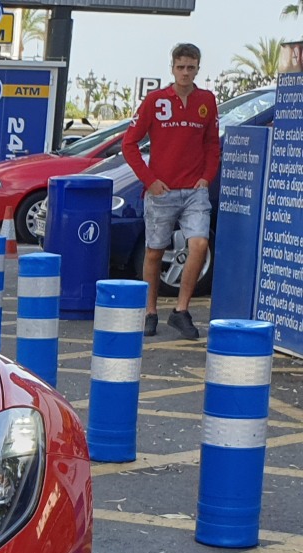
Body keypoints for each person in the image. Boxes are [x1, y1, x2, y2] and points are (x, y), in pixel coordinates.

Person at [121, 42, 219, 340]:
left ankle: (181, 310)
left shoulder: (207, 100)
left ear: (198, 68)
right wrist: (149, 180)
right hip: (161, 190)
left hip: (194, 191)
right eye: (180, 67)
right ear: (172, 68)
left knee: (199, 245)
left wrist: (206, 177)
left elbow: (212, 144)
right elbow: (129, 143)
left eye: (191, 67)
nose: (185, 73)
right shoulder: (155, 100)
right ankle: (150, 312)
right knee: (154, 251)